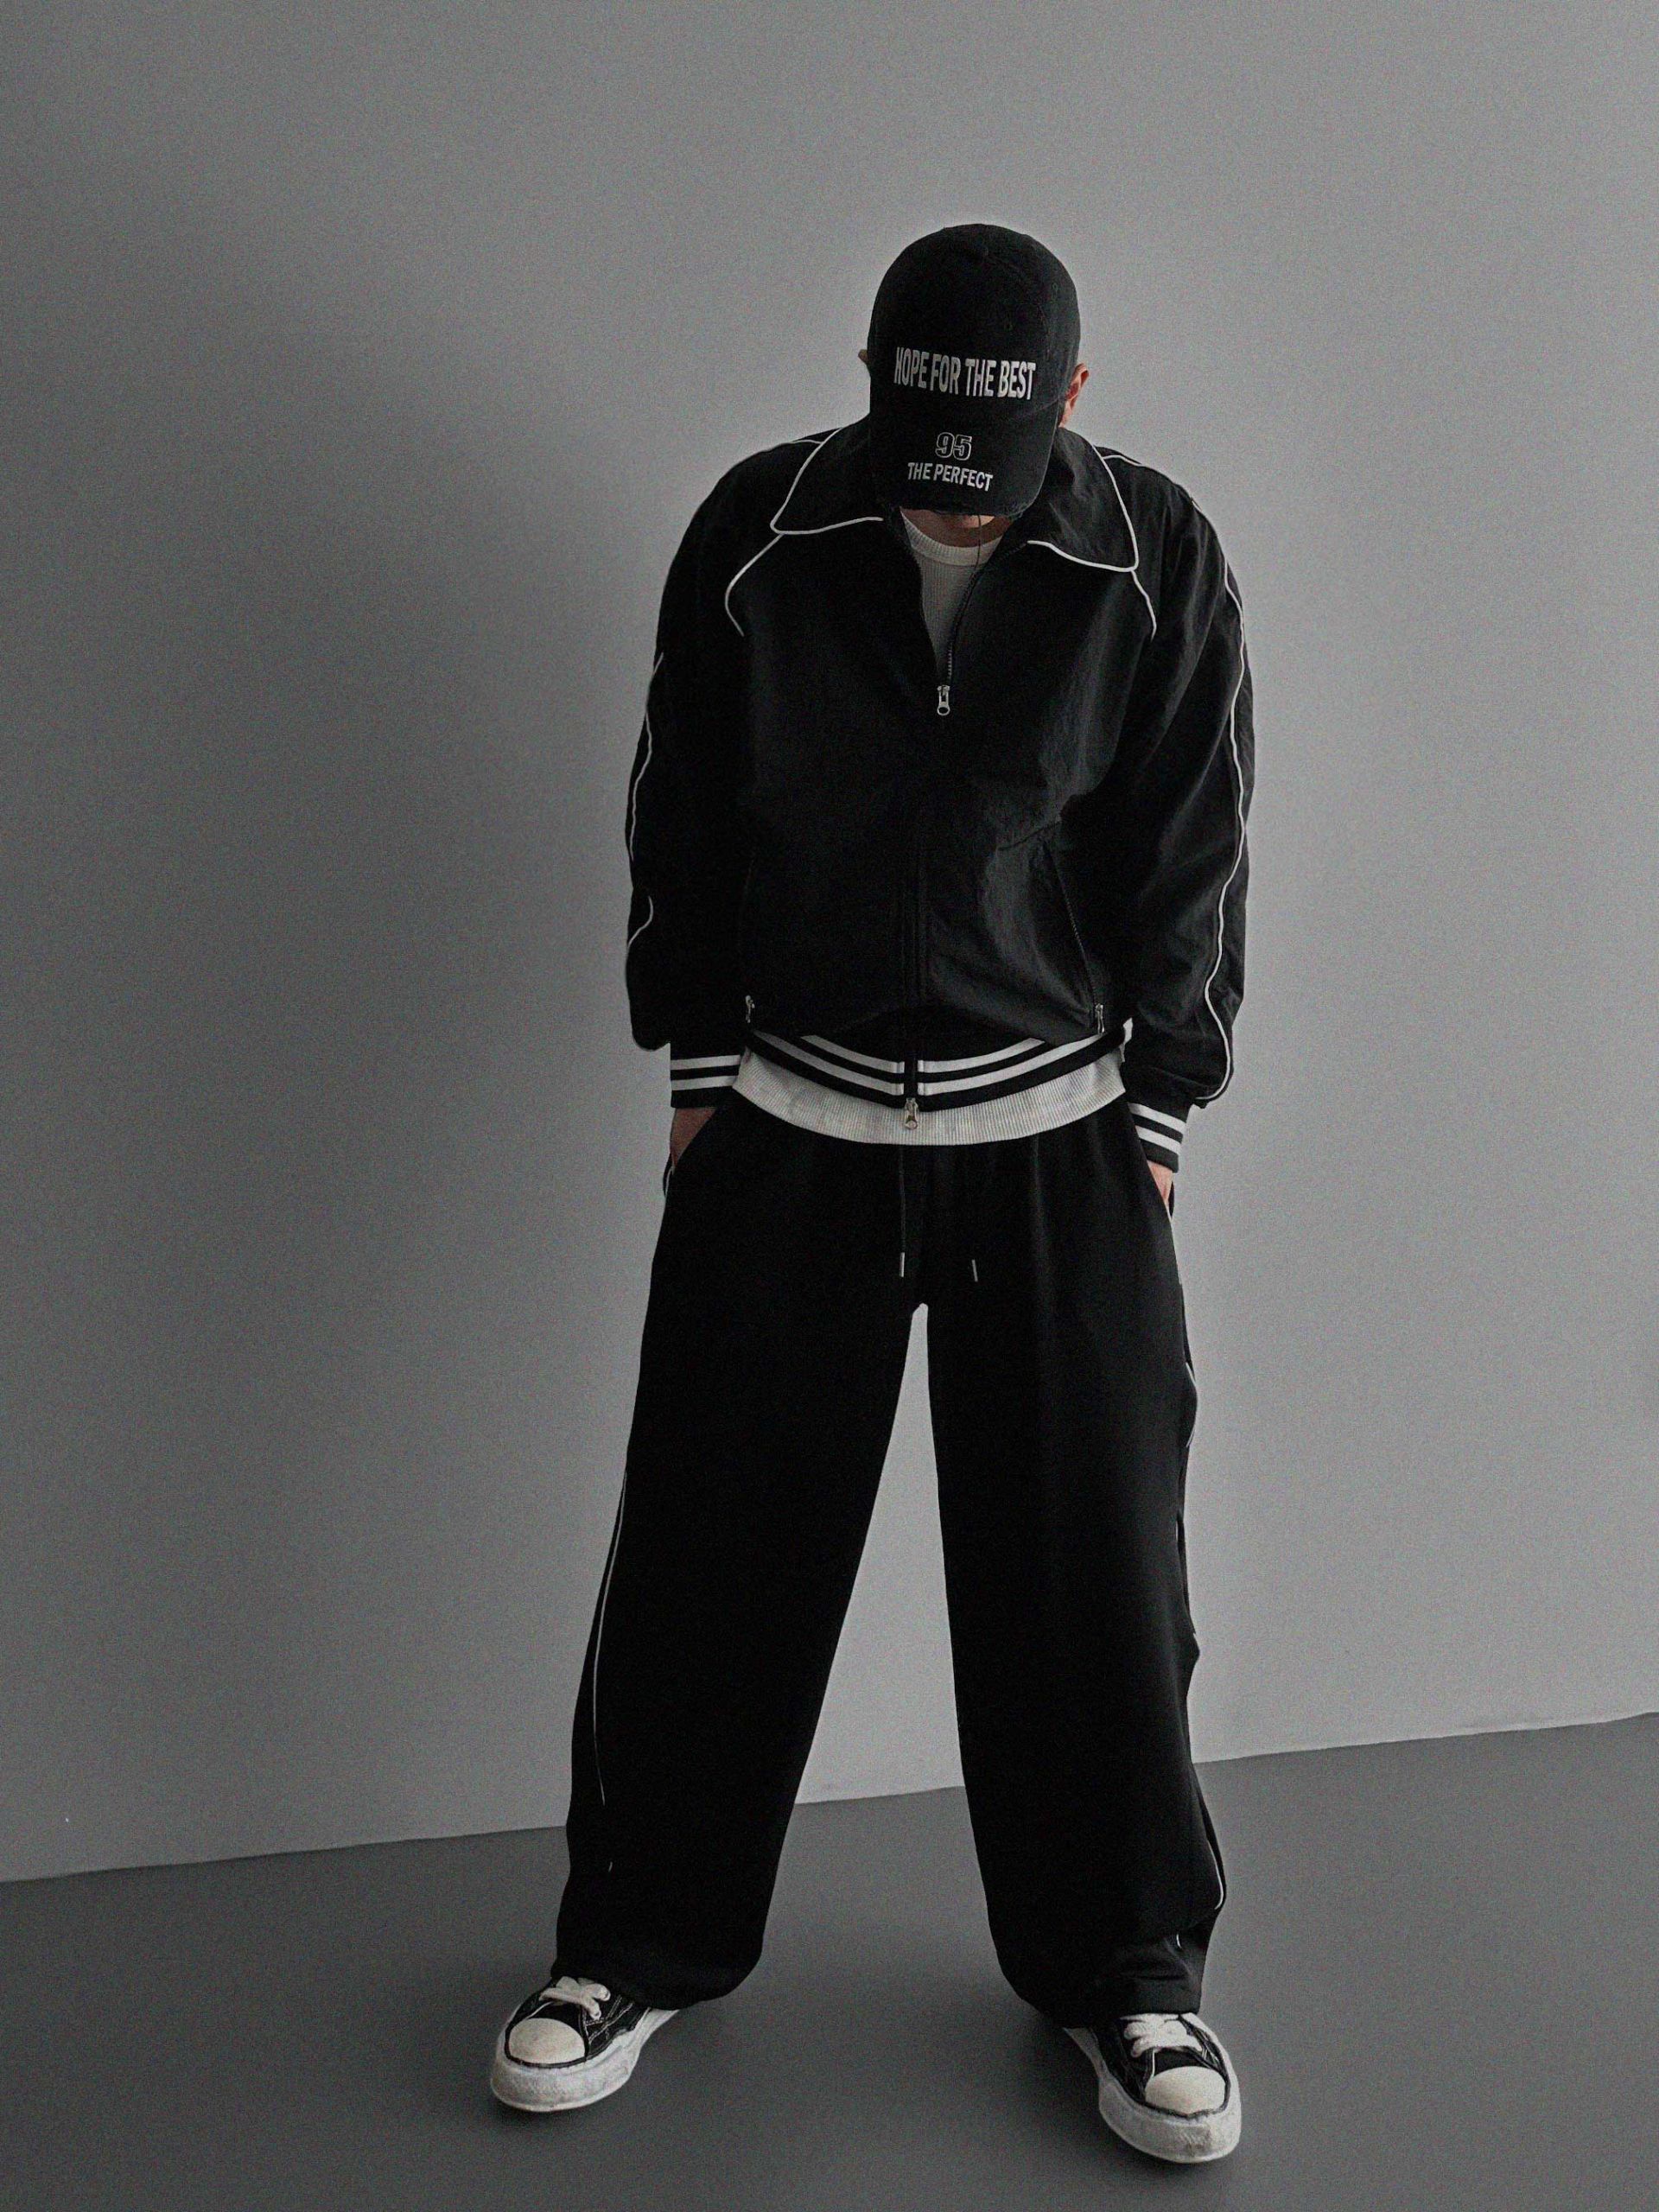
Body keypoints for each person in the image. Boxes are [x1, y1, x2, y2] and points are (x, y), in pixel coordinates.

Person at [490, 223, 1255, 2166]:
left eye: (993, 474)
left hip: (1057, 1131)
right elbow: (680, 805)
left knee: (1095, 1575)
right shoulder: (761, 534)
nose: (956, 506)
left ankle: (1130, 1973)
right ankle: (629, 1947)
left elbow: (1191, 840)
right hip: (793, 1124)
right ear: (870, 386)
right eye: (924, 460)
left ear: (1072, 405)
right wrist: (697, 1064)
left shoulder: (1156, 554)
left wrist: (1161, 1106)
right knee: (706, 1558)